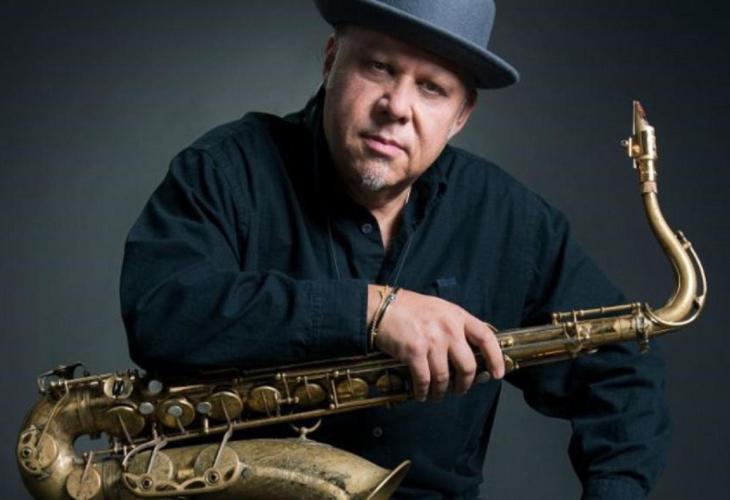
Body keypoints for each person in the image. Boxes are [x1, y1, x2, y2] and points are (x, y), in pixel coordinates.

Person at [120, 1, 668, 498]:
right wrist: (371, 311)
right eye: (378, 67)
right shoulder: (226, 169)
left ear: (461, 115)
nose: (397, 106)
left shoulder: (511, 219)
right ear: (331, 60)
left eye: (432, 88)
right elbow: (162, 311)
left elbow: (623, 374)